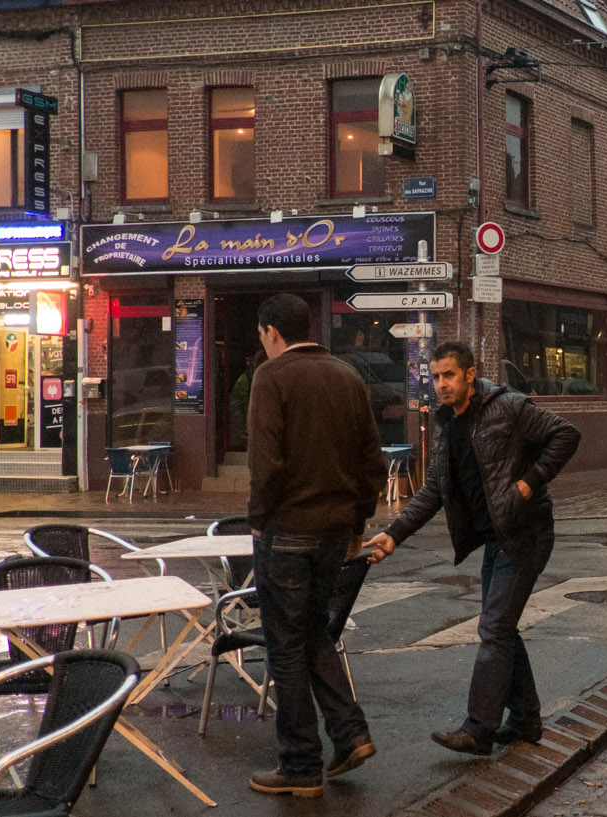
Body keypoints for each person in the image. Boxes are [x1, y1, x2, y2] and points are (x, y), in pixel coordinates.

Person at [362, 342, 581, 756]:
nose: (441, 384)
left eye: (448, 375)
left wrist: (528, 482)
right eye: (435, 377)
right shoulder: (448, 425)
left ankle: (480, 728)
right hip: (497, 539)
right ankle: (525, 720)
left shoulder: (509, 407)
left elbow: (566, 434)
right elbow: (433, 492)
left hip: (527, 533)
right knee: (501, 627)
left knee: (494, 629)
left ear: (469, 374)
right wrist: (393, 535)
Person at [244, 294, 387, 798]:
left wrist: (259, 520)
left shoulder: (272, 377)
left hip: (287, 531)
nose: (263, 346)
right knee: (314, 635)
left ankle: (300, 767)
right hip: (334, 532)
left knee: (285, 647)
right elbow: (373, 461)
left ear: (272, 332)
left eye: (262, 337)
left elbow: (266, 462)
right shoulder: (347, 376)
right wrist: (357, 522)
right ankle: (350, 734)